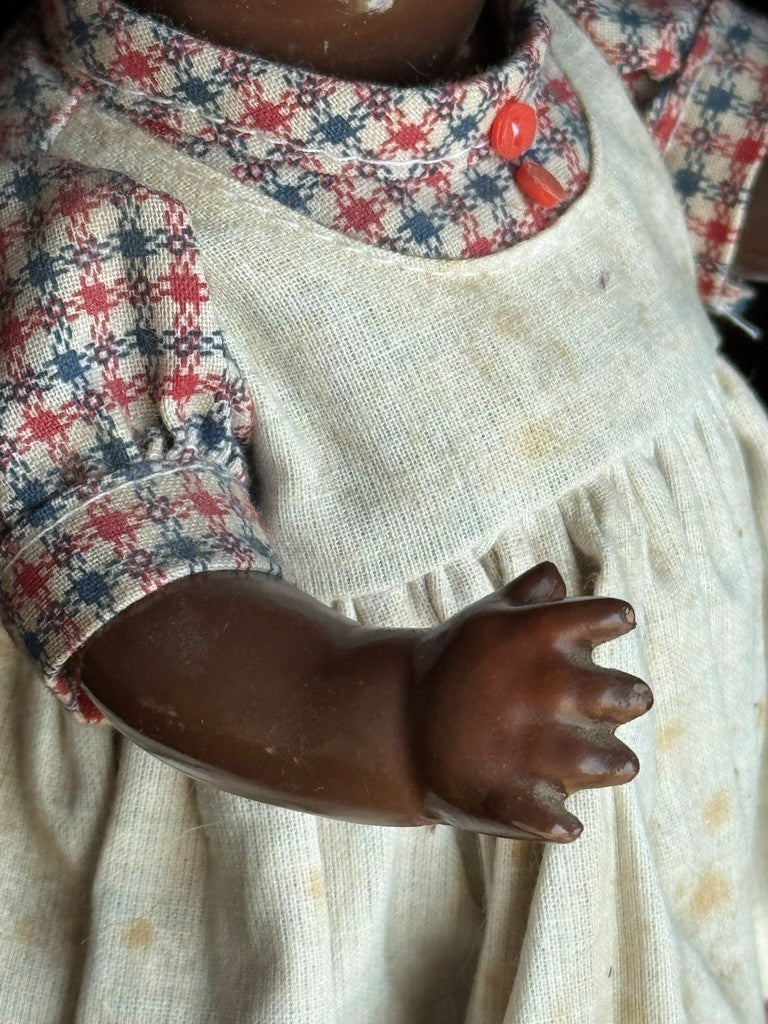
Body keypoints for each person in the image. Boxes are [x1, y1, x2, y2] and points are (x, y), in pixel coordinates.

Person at [1, 0, 768, 1019]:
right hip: (340, 817)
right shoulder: (89, 204)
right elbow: (145, 604)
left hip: (696, 761)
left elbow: (729, 144)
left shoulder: (592, 28)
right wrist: (394, 717)